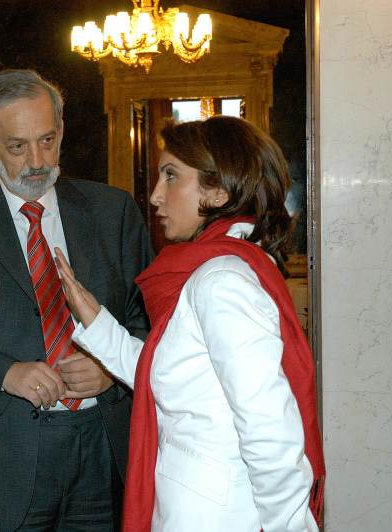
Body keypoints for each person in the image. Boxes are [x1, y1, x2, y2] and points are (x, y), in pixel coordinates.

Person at [54, 115, 326, 532]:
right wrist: (95, 319)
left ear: (218, 192)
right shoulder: (217, 269)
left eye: (171, 175)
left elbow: (270, 431)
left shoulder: (221, 281)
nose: (155, 195)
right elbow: (176, 376)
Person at [0, 69, 153, 531]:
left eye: (47, 140)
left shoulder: (113, 211)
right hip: (3, 457)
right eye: (17, 146)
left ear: (61, 131)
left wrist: (112, 369)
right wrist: (5, 373)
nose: (37, 161)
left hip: (105, 451)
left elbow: (149, 321)